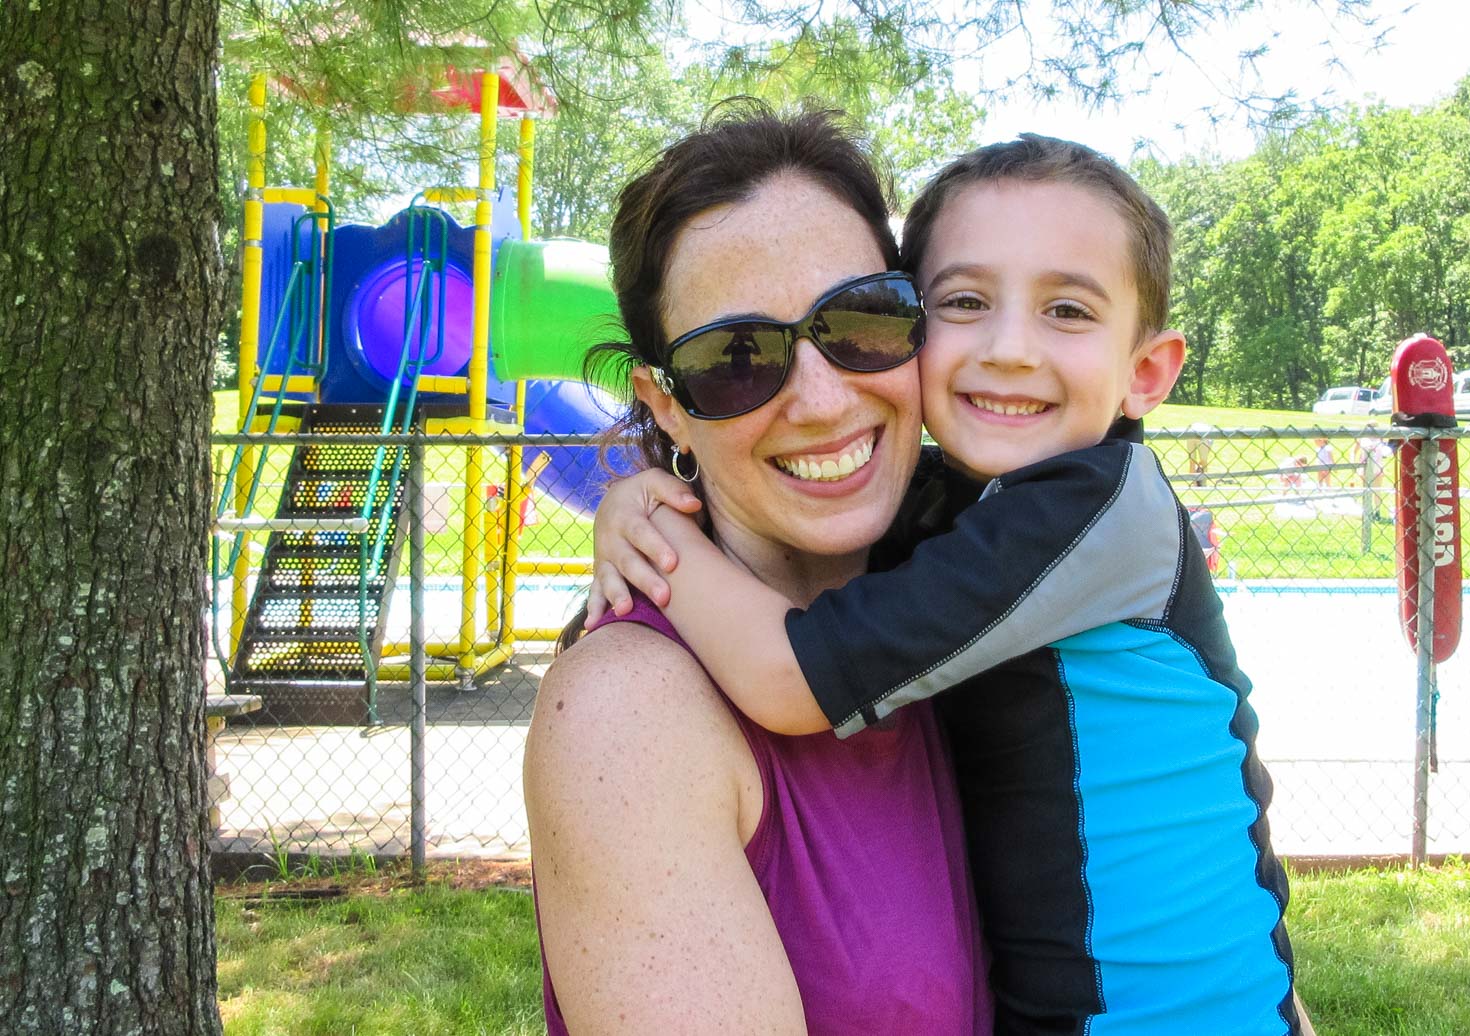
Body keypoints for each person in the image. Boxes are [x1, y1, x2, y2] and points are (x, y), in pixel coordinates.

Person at [595, 135, 1308, 1034]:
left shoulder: (1095, 505)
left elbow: (789, 679)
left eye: (1069, 311)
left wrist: (654, 534)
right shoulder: (957, 508)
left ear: (1147, 372)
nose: (1010, 349)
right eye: (965, 302)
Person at [523, 108, 989, 1035]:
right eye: (736, 361)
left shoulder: (968, 599)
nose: (821, 399)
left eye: (862, 319)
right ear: (667, 405)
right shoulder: (630, 715)